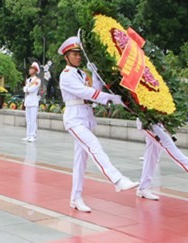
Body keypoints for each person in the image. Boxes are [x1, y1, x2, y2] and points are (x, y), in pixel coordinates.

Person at [58, 36, 138, 213]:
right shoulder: (65, 76)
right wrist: (111, 99)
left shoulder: (82, 74)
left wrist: (96, 74)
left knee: (80, 161)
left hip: (86, 117)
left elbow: (95, 89)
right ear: (66, 56)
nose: (79, 57)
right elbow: (86, 93)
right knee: (94, 146)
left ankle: (75, 198)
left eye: (80, 54)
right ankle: (117, 180)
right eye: (74, 54)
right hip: (74, 118)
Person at [135, 120, 188, 200]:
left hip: (154, 122)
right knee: (167, 143)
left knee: (152, 156)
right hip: (147, 123)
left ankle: (143, 188)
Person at [22, 62, 41, 142]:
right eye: (30, 68)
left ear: (36, 70)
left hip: (33, 101)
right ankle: (28, 135)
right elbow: (24, 89)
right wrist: (26, 89)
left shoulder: (37, 80)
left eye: (32, 69)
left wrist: (27, 89)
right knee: (28, 120)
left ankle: (33, 135)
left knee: (33, 120)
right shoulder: (28, 80)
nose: (30, 70)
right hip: (28, 101)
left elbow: (32, 89)